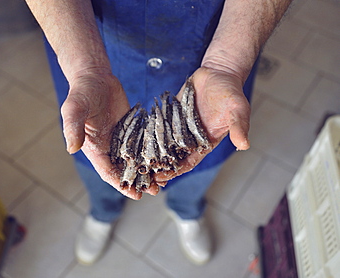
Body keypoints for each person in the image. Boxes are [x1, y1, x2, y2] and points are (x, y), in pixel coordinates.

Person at [25, 0, 292, 265]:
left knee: (200, 160)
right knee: (96, 154)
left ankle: (186, 210)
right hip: (89, 45)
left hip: (216, 48)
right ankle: (103, 212)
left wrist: (228, 65)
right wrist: (86, 70)